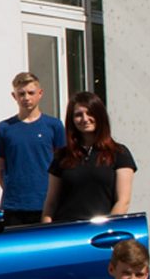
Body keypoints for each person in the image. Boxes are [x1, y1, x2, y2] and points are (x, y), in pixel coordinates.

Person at [43, 91, 138, 223]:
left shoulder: (119, 153)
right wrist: (47, 230)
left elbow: (123, 201)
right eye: (78, 115)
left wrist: (107, 228)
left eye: (90, 113)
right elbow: (51, 204)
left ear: (100, 115)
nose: (85, 119)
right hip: (66, 230)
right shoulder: (62, 155)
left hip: (102, 231)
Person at [0, 72, 66, 227]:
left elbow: (63, 165)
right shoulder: (4, 128)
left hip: (46, 204)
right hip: (14, 207)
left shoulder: (54, 126)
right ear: (14, 96)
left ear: (40, 93)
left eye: (31, 93)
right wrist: (13, 191)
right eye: (21, 94)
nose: (26, 98)